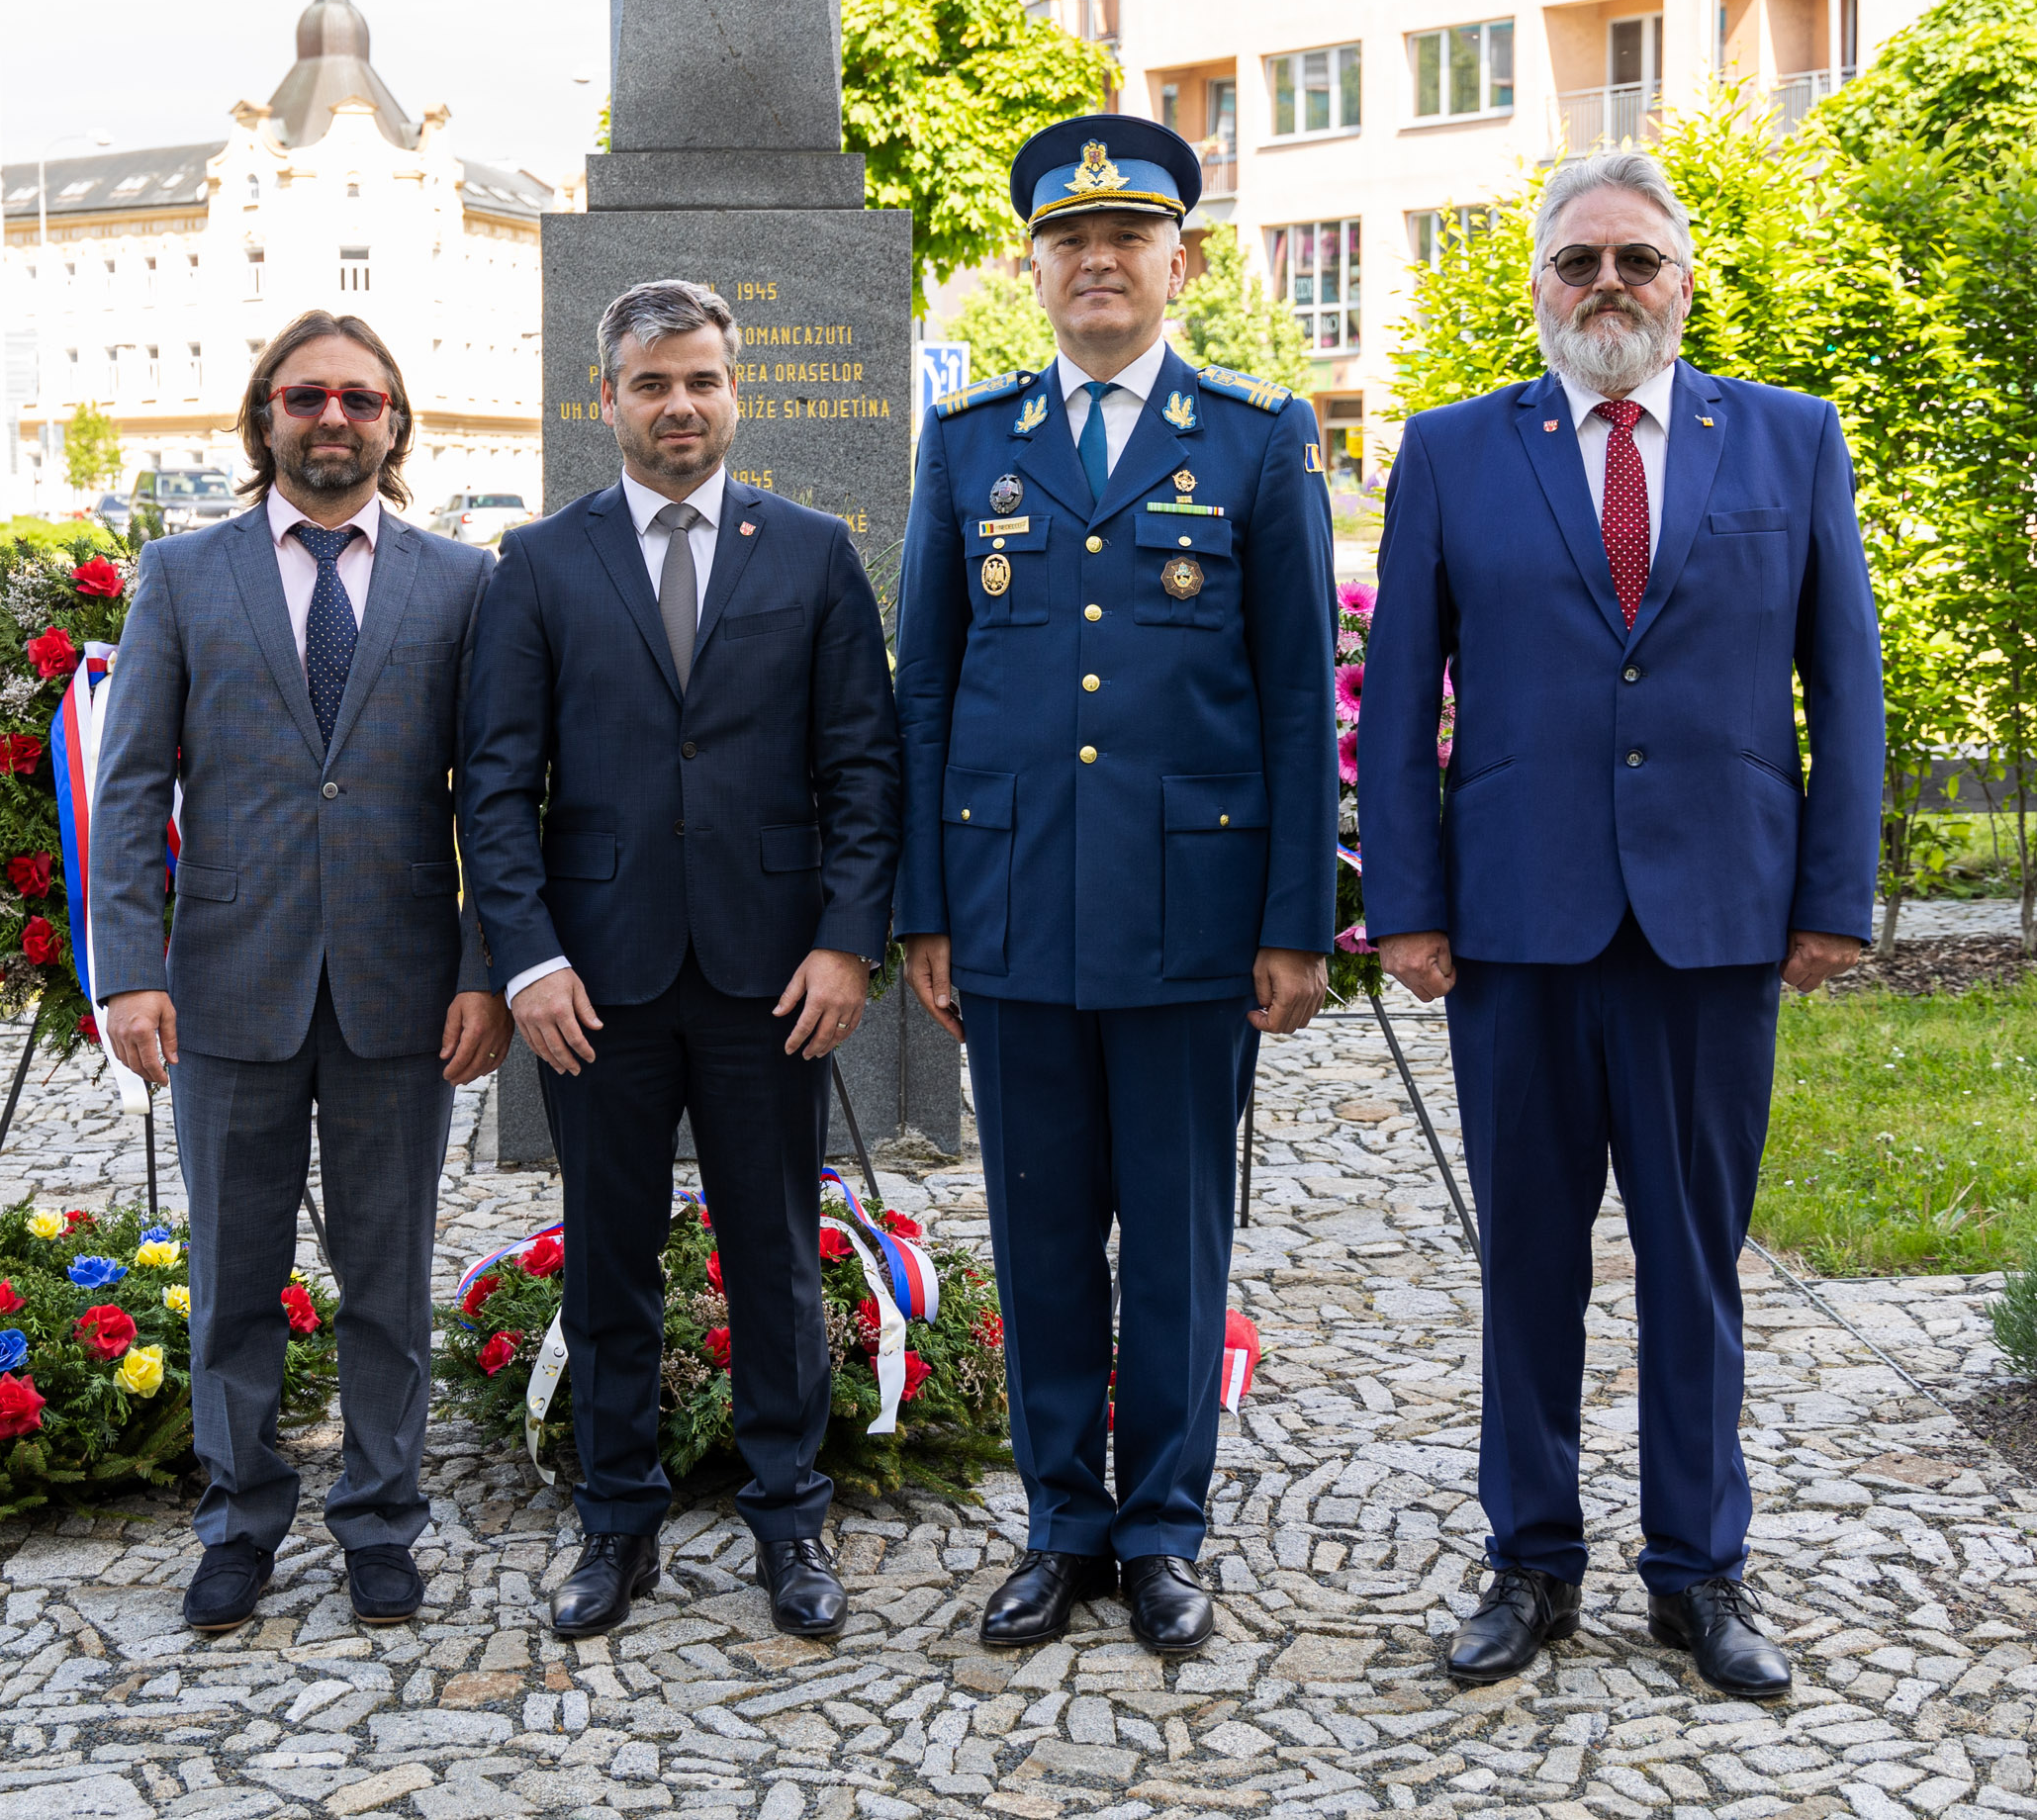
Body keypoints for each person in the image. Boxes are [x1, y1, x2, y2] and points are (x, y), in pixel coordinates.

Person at [1358, 151, 1882, 1698]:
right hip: (1516, 929)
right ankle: (1531, 1563)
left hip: (1716, 923)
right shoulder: (1454, 454)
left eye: (1636, 259)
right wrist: (1406, 901)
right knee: (1526, 1259)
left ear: (1683, 282)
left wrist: (1832, 894)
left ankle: (1698, 1573)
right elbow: (1398, 697)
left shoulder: (1789, 440)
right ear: (1539, 286)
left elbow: (1842, 680)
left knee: (1693, 1262)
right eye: (1579, 258)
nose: (1608, 283)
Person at [893, 115, 1339, 1654]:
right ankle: (1059, 1521)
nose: (1097, 262)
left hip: (1188, 916)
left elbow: (1295, 696)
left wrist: (1294, 921)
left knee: (1176, 1235)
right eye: (1068, 242)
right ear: (1032, 267)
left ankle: (1162, 1527)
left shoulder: (1254, 440)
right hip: (1013, 911)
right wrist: (924, 908)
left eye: (1126, 238)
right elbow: (927, 693)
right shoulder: (970, 446)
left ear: (1179, 261)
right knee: (1036, 1227)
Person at [460, 278, 900, 1640]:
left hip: (772, 974)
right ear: (608, 398)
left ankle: (789, 1516)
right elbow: (497, 785)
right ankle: (617, 1521)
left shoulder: (813, 551)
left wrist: (845, 941)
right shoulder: (537, 561)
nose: (680, 406)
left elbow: (861, 765)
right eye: (652, 383)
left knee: (774, 1251)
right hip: (597, 983)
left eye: (702, 379)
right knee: (609, 1260)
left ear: (734, 387)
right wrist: (527, 959)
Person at [92, 310, 513, 1636]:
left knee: (390, 1279)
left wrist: (489, 966)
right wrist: (128, 968)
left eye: (361, 398)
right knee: (231, 1279)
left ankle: (383, 1522)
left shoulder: (462, 583)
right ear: (261, 413)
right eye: (306, 395)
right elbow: (131, 781)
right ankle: (237, 1519)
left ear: (396, 424)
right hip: (226, 980)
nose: (334, 417)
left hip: (405, 988)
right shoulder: (181, 569)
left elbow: (498, 793)